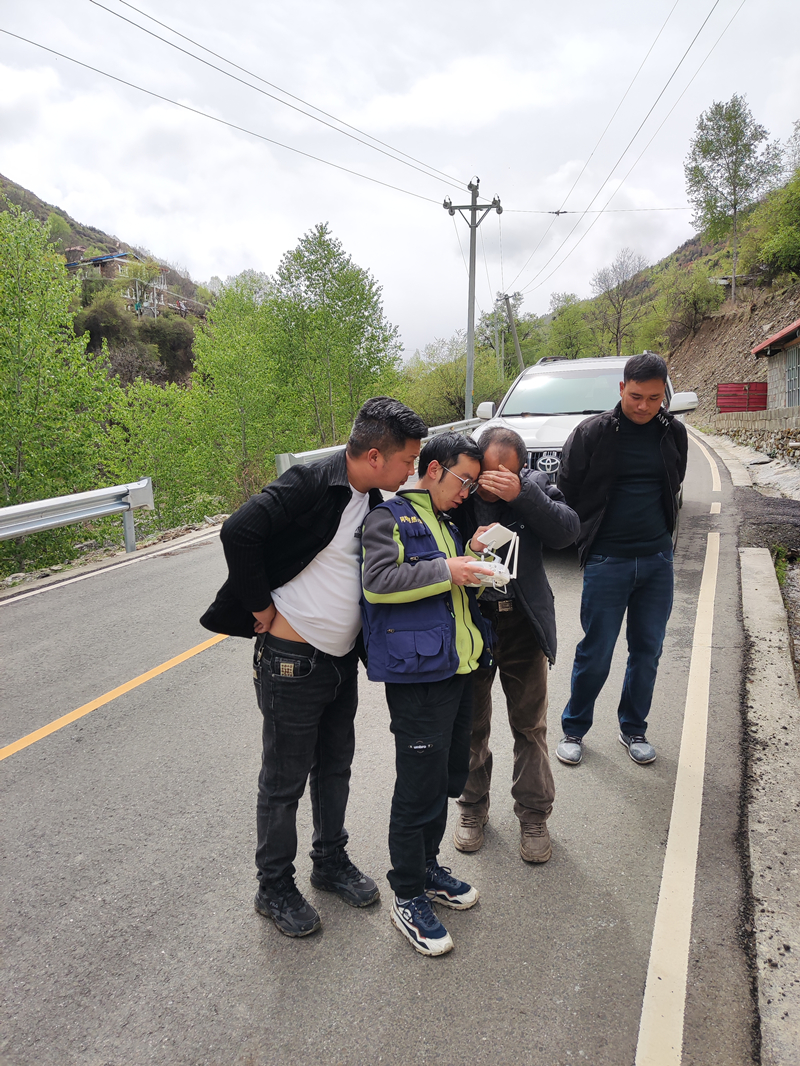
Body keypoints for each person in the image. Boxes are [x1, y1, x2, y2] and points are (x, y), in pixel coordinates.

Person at [201, 397, 427, 938]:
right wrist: (261, 608)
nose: (411, 472)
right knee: (284, 782)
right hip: (291, 662)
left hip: (338, 660)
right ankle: (273, 887)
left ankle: (329, 863)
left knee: (335, 768)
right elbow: (239, 532)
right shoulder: (311, 482)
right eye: (406, 462)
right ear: (375, 456)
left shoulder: (372, 494)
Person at [360, 432, 494, 956]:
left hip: (457, 669)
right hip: (418, 677)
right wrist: (450, 568)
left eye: (474, 484)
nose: (468, 492)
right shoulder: (388, 517)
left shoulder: (445, 523)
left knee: (446, 775)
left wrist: (475, 562)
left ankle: (429, 867)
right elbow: (377, 581)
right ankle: (408, 893)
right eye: (464, 480)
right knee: (417, 786)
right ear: (433, 469)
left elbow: (451, 591)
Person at [450, 426, 579, 862]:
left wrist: (522, 493)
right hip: (475, 623)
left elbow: (567, 532)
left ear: (521, 468)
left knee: (530, 726)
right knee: (471, 726)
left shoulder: (536, 489)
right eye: (487, 473)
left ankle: (534, 815)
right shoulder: (463, 497)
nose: (493, 481)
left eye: (505, 473)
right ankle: (471, 808)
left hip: (523, 625)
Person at [555, 352, 688, 767]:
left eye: (654, 398)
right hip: (607, 560)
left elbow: (675, 481)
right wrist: (588, 538)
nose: (644, 406)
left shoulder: (673, 433)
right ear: (621, 389)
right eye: (635, 396)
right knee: (596, 651)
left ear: (664, 393)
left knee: (647, 650)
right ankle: (574, 728)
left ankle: (634, 729)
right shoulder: (592, 433)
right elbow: (567, 486)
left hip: (656, 561)